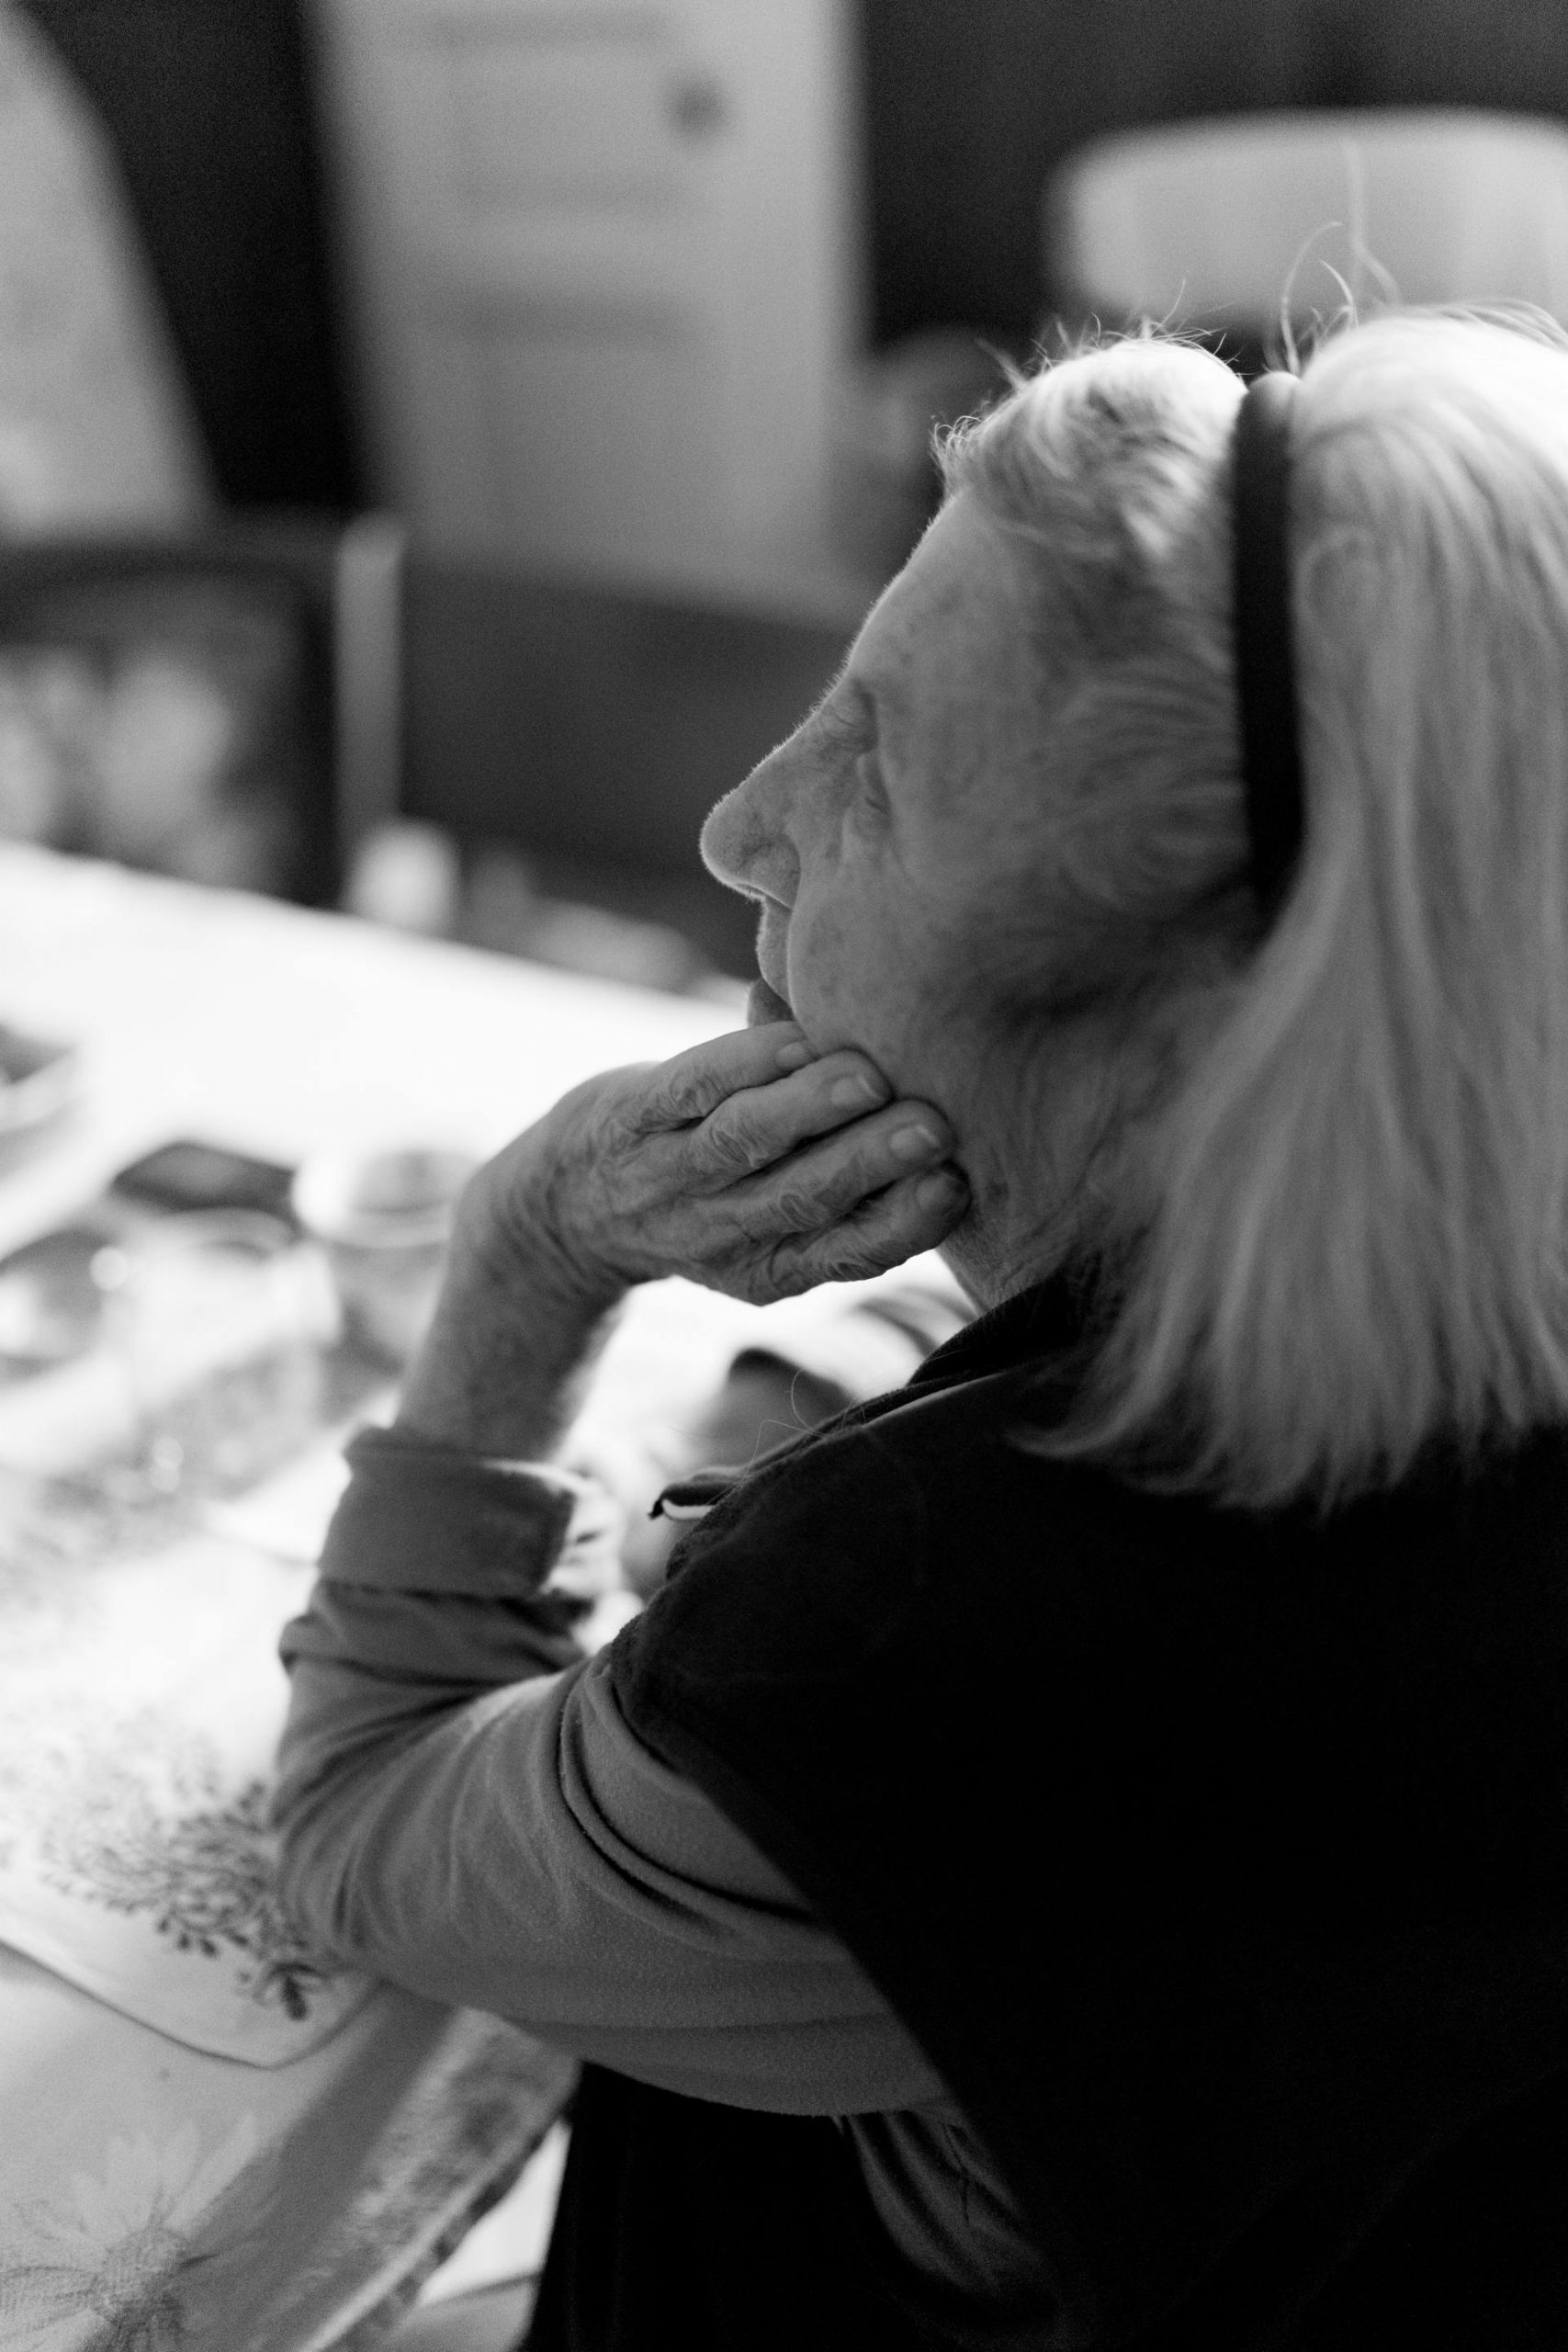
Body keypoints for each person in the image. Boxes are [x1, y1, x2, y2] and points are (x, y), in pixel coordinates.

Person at [273, 310, 1568, 2350]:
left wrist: (529, 1249)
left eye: (867, 772)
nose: (736, 824)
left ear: (1195, 1024)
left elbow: (358, 1821)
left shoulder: (918, 1621)